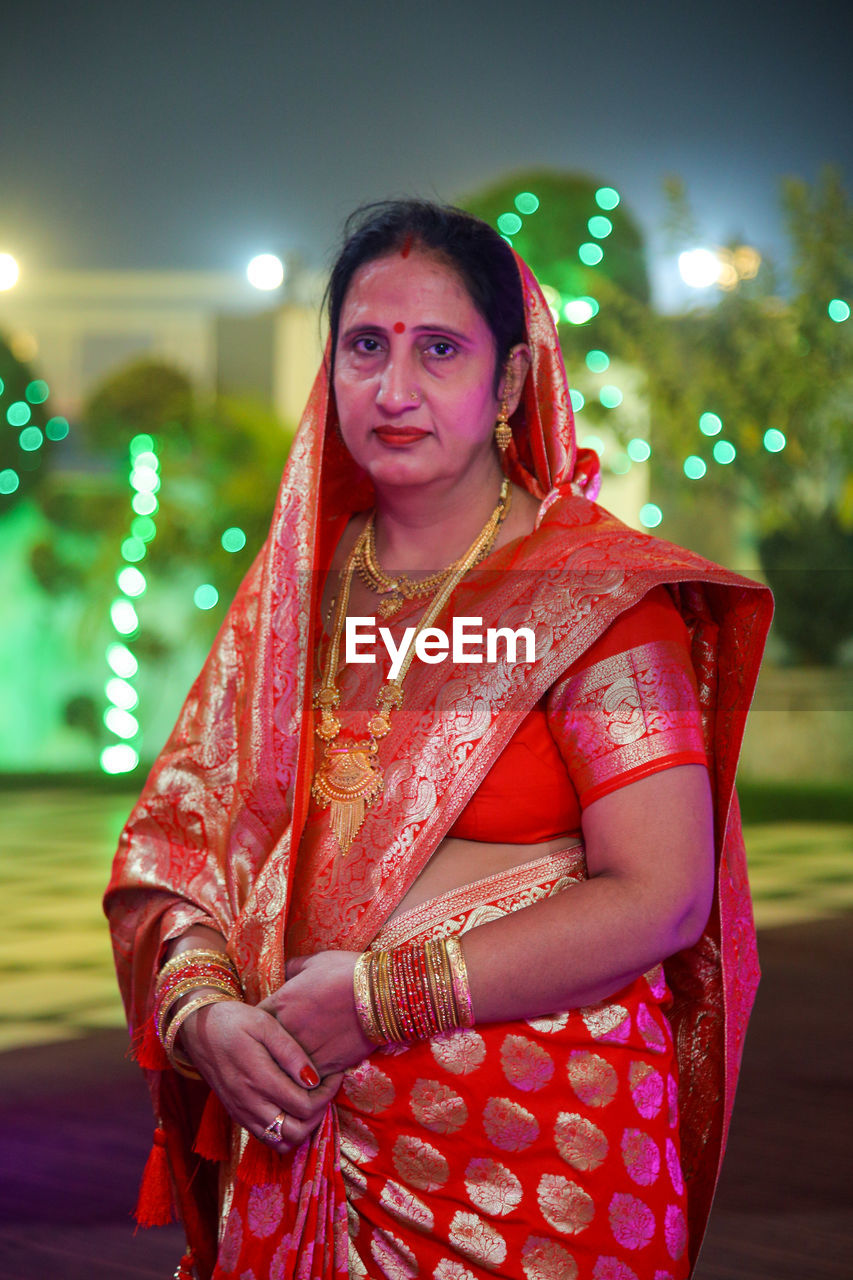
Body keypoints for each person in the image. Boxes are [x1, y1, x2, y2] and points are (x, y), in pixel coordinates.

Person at [105, 200, 772, 1280]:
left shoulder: (593, 598)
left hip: (539, 1170)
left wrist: (376, 999)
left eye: (440, 349)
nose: (395, 388)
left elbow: (665, 891)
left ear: (508, 383)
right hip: (301, 1137)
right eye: (366, 346)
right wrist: (207, 1022)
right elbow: (181, 855)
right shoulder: (296, 600)